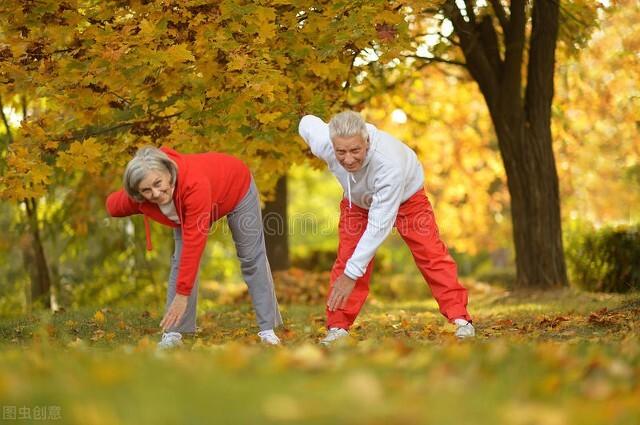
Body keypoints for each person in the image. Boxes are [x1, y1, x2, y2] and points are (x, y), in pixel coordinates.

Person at [298, 111, 475, 345]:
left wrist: (352, 274)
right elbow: (307, 123)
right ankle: (338, 327)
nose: (348, 159)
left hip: (407, 199)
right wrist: (305, 117)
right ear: (331, 145)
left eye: (355, 151)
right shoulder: (324, 142)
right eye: (341, 152)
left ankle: (460, 319)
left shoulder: (387, 163)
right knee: (348, 258)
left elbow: (379, 225)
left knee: (431, 254)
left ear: (367, 141)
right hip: (357, 203)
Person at [106, 146, 283, 348]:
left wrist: (182, 295)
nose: (155, 193)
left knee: (251, 257)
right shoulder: (141, 195)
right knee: (180, 263)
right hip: (194, 209)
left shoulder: (193, 184)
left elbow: (194, 244)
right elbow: (112, 206)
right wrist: (131, 201)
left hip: (236, 187)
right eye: (146, 190)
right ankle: (173, 335)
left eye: (158, 184)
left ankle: (268, 330)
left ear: (167, 171)